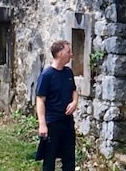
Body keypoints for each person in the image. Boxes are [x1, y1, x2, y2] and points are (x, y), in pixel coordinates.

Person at [35, 39, 79, 171]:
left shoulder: (68, 72)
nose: (71, 54)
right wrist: (42, 124)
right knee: (49, 160)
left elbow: (74, 91)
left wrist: (74, 102)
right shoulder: (46, 75)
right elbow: (40, 100)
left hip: (67, 122)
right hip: (52, 123)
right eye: (68, 51)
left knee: (69, 159)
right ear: (60, 53)